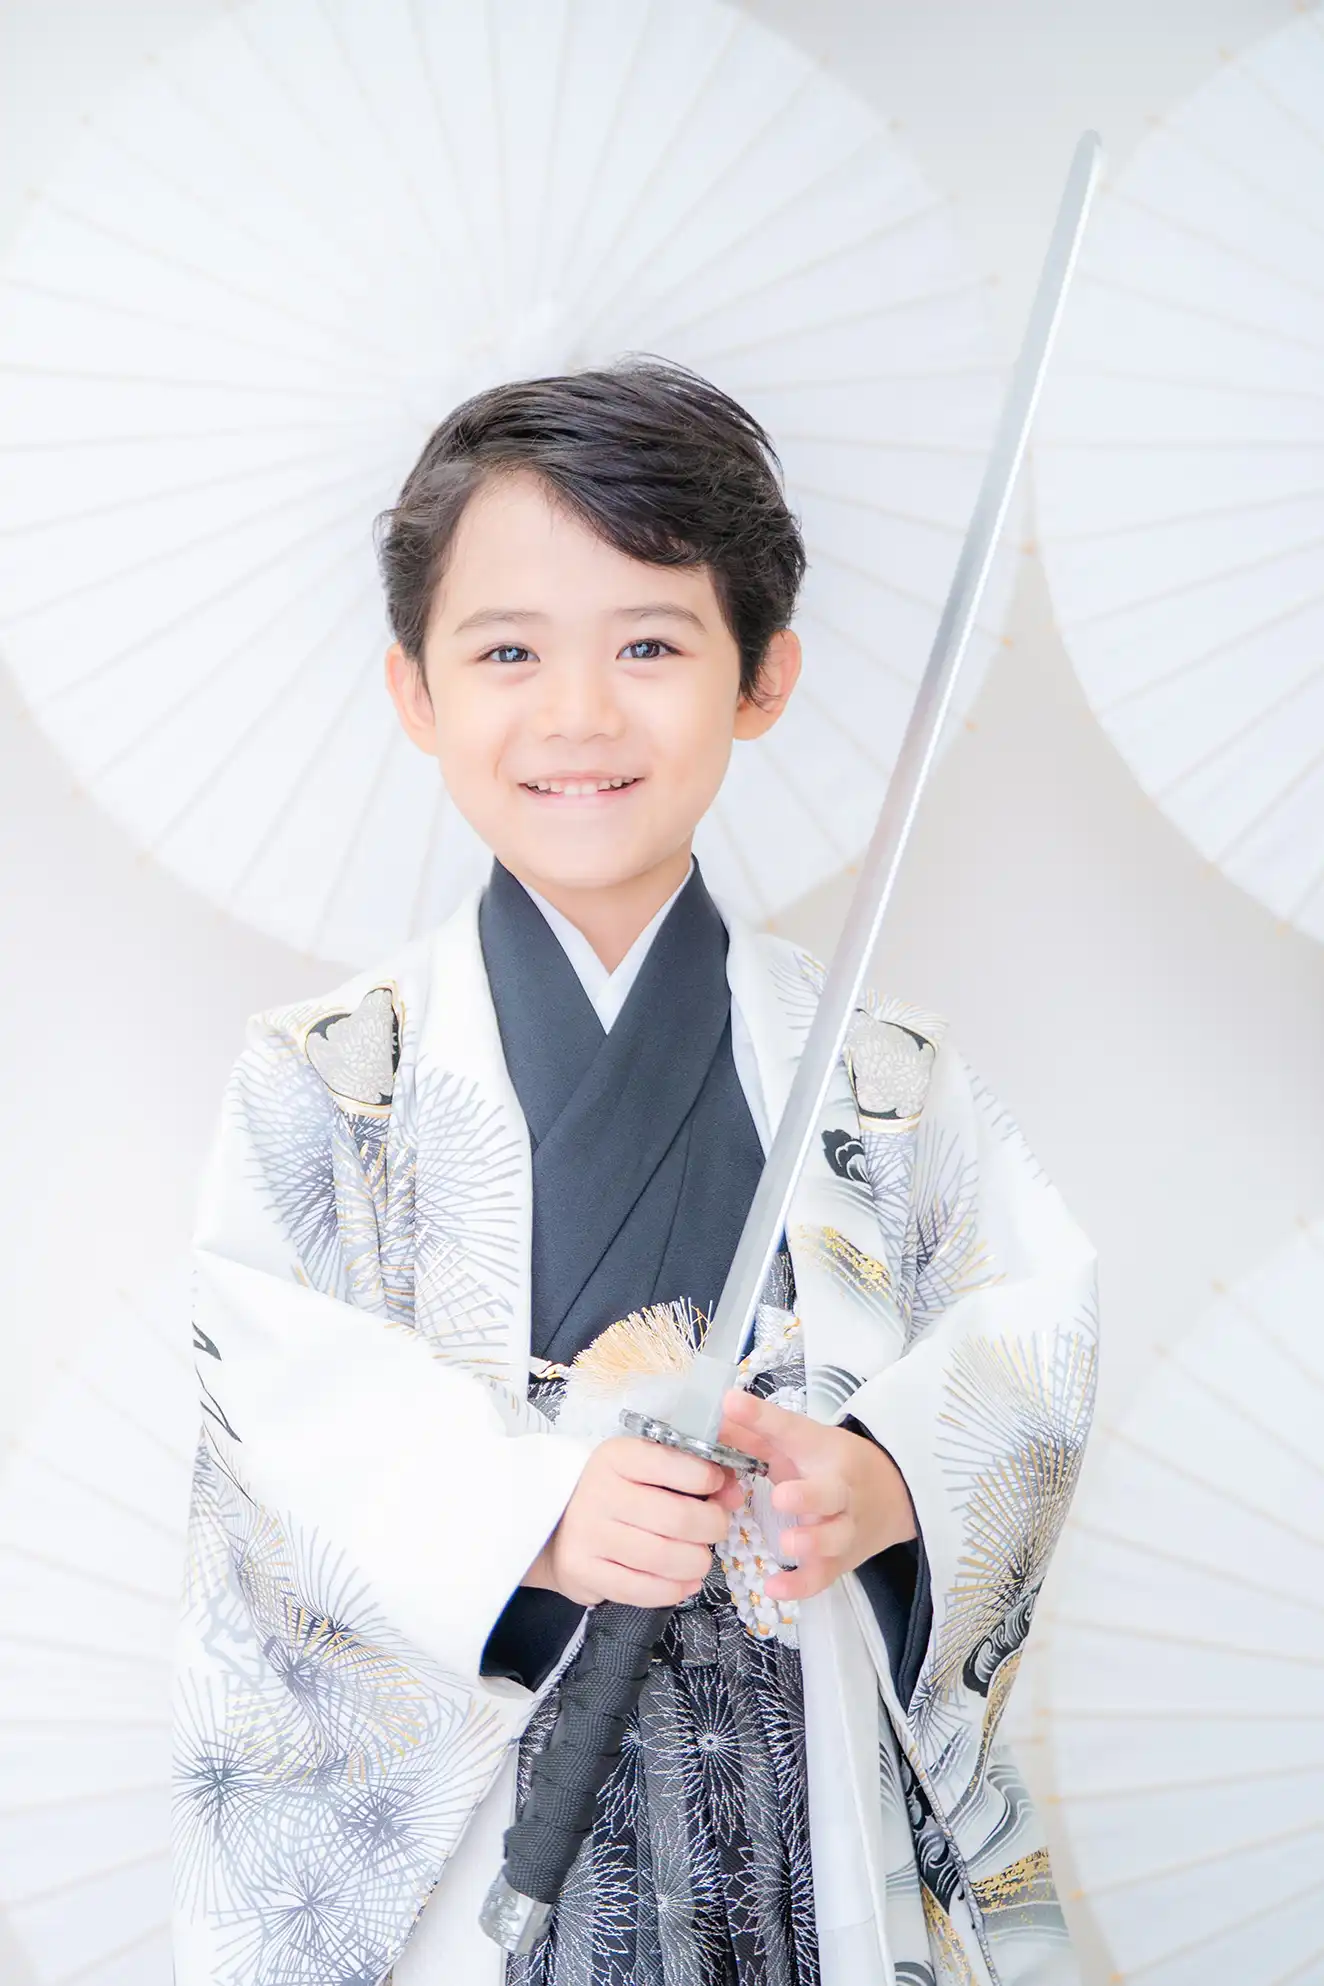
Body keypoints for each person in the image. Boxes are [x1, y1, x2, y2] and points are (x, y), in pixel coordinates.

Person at [172, 358, 1098, 1986]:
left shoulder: (882, 1075)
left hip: (794, 1740)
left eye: (652, 645)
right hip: (492, 1802)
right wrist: (533, 1513)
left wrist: (882, 1478)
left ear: (763, 674)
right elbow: (279, 1411)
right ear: (415, 690)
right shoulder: (328, 1080)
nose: (580, 714)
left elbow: (1033, 1328)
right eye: (509, 651)